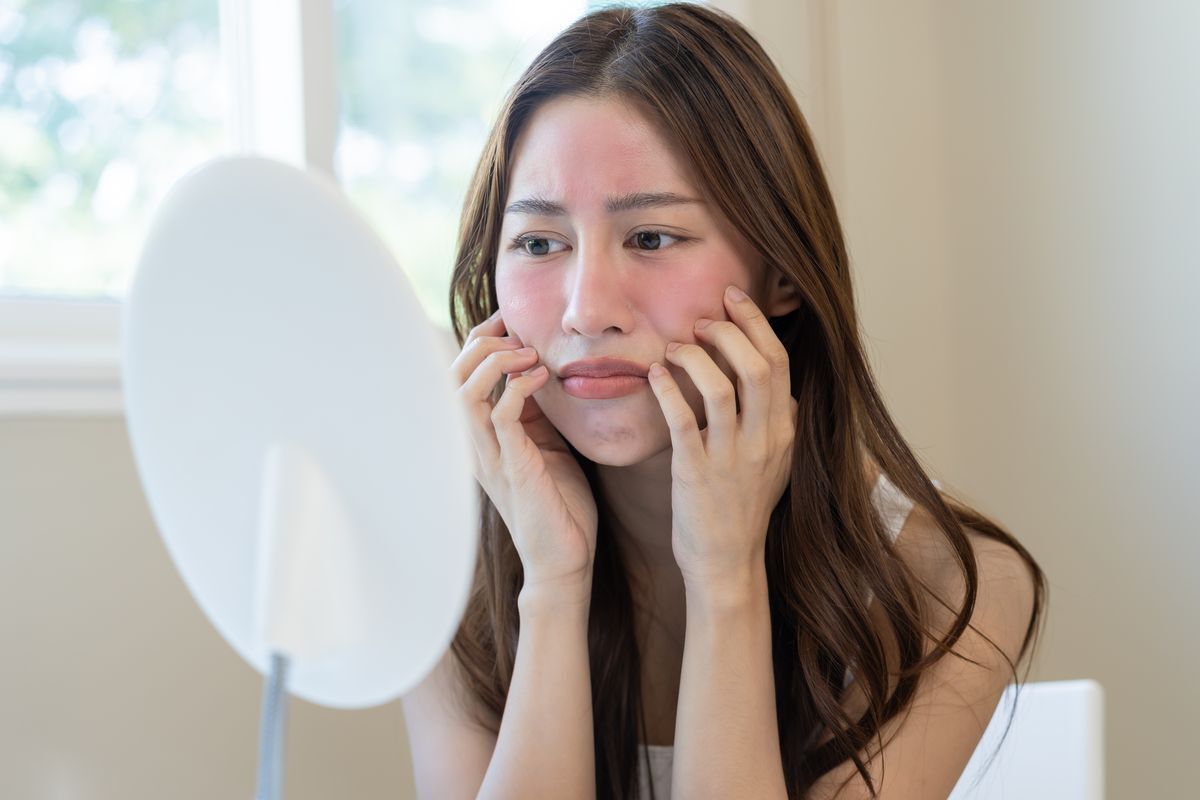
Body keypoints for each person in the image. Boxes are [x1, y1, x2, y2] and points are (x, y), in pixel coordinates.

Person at [404, 4, 1047, 799]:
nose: (585, 310)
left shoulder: (950, 585)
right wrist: (553, 584)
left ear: (782, 273)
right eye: (539, 243)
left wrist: (724, 578)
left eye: (651, 238)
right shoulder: (446, 571)